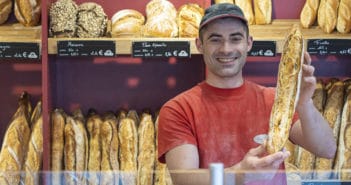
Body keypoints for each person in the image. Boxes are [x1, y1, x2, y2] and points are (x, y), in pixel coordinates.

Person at [157, 3, 336, 185]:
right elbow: (184, 178)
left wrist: (305, 104)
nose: (226, 48)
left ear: (248, 43)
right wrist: (238, 174)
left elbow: (327, 149)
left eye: (235, 39)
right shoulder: (178, 109)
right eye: (215, 39)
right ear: (199, 45)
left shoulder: (273, 101)